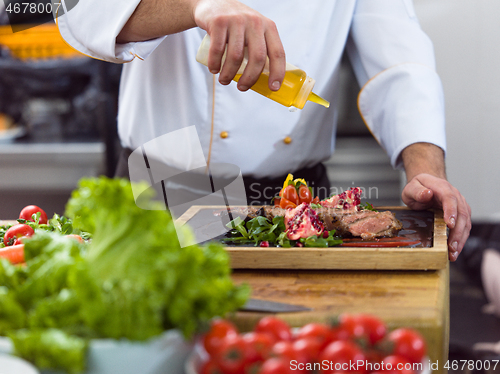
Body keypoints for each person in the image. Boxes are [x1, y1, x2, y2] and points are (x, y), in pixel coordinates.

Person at [56, 0, 471, 261]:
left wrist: (425, 168)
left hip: (295, 197)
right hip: (165, 187)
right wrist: (196, 6)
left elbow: (399, 63)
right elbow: (80, 10)